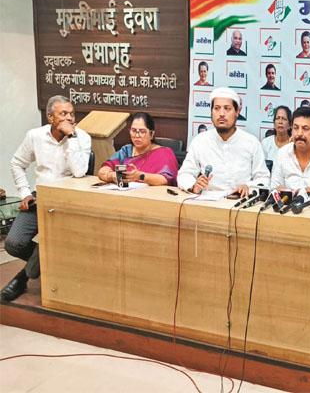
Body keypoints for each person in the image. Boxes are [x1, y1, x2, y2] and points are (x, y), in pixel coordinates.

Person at [1, 95, 91, 302]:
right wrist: (24, 192)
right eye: (63, 114)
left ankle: (22, 278)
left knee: (53, 244)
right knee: (13, 243)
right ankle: (48, 263)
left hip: (67, 202)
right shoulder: (35, 136)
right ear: (50, 117)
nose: (69, 118)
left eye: (72, 114)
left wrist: (72, 138)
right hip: (39, 198)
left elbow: (79, 172)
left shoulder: (82, 137)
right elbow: (17, 163)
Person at [177, 87, 270, 197]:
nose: (221, 113)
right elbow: (184, 174)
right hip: (207, 202)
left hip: (239, 203)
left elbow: (263, 179)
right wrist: (193, 185)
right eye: (216, 108)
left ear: (237, 112)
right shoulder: (200, 141)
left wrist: (249, 186)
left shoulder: (251, 143)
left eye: (227, 108)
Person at [97, 112, 178, 186]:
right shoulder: (126, 151)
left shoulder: (164, 153)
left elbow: (166, 179)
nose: (137, 135)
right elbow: (102, 171)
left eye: (142, 131)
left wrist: (140, 176)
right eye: (134, 130)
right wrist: (111, 176)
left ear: (151, 134)